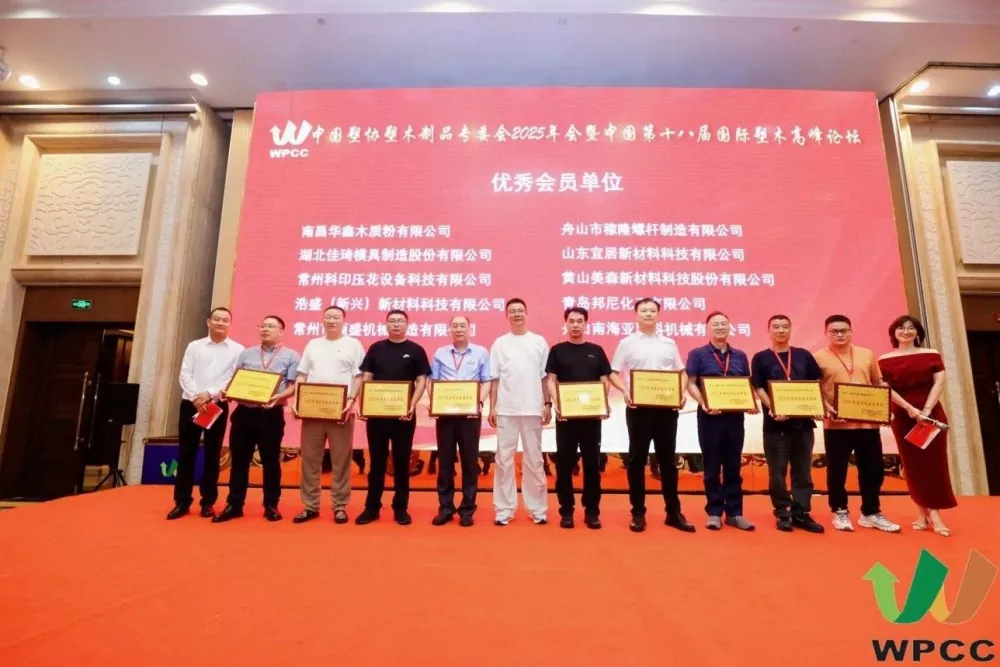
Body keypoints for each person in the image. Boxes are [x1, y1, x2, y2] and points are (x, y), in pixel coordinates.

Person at [608, 297, 694, 533]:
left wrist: (679, 392)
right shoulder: (626, 343)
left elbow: (682, 372)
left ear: (658, 314)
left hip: (666, 409)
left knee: (668, 461)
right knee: (637, 461)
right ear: (636, 315)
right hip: (638, 410)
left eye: (652, 310)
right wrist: (626, 391)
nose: (648, 314)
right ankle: (638, 512)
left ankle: (673, 512)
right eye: (643, 310)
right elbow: (613, 372)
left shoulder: (669, 343)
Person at [814, 314, 900, 533]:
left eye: (844, 330)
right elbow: (814, 387)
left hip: (867, 424)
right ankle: (840, 510)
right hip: (837, 424)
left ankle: (871, 512)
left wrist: (885, 408)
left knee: (873, 469)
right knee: (837, 470)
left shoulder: (866, 354)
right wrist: (826, 407)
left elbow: (877, 382)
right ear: (826, 333)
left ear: (851, 331)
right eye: (834, 331)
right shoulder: (818, 357)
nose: (840, 335)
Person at [214, 315, 299, 523]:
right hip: (244, 413)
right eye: (263, 326)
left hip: (271, 415)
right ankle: (234, 504)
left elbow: (295, 386)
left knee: (271, 462)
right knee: (239, 461)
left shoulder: (291, 356)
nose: (265, 329)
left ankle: (271, 504)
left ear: (281, 331)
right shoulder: (247, 354)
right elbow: (236, 380)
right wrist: (228, 392)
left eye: (270, 326)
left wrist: (279, 396)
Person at [878, 315, 957, 536]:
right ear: (894, 333)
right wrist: (909, 409)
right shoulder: (884, 359)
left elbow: (939, 382)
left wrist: (927, 410)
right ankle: (922, 513)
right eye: (901, 328)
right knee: (912, 466)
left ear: (918, 332)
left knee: (934, 463)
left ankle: (935, 514)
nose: (906, 331)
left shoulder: (931, 354)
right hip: (904, 416)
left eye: (911, 328)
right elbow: (885, 387)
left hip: (931, 416)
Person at [167, 307, 244, 520]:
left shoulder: (238, 350)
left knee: (212, 454)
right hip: (190, 404)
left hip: (216, 406)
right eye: (216, 319)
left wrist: (209, 394)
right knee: (186, 453)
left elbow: (232, 378)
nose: (220, 323)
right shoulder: (195, 346)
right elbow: (185, 374)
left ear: (230, 324)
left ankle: (208, 501)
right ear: (208, 322)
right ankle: (182, 501)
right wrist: (196, 397)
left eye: (225, 320)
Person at [355, 310, 430, 526]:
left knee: (401, 461)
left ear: (407, 324)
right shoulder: (376, 348)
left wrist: (411, 405)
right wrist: (363, 404)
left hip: (403, 415)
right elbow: (367, 376)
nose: (396, 324)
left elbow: (421, 380)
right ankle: (372, 507)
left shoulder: (416, 350)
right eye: (392, 321)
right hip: (377, 414)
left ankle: (400, 507)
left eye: (400, 321)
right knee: (377, 462)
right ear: (386, 324)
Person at [750, 315, 824, 533]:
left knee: (803, 472)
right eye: (776, 327)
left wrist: (815, 406)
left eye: (785, 327)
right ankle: (783, 512)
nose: (781, 330)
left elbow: (815, 383)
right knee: (777, 473)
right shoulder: (761, 358)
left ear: (790, 330)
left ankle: (801, 513)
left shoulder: (803, 355)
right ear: (769, 330)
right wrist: (773, 407)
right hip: (776, 426)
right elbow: (758, 387)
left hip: (803, 425)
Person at [291, 306, 365, 525]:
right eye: (328, 317)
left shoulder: (353, 345)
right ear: (322, 320)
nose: (332, 320)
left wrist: (351, 401)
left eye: (336, 317)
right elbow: (302, 375)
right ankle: (310, 505)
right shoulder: (313, 344)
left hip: (341, 411)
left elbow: (359, 377)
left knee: (341, 460)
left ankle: (339, 506)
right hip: (312, 411)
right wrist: (297, 401)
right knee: (310, 460)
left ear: (343, 320)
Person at [684, 311, 755, 531]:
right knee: (712, 466)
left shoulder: (740, 355)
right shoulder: (697, 354)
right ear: (708, 328)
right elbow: (690, 382)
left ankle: (735, 513)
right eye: (715, 324)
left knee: (733, 465)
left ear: (729, 327)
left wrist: (750, 402)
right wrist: (703, 402)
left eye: (724, 323)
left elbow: (746, 384)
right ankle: (714, 512)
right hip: (709, 417)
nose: (720, 327)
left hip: (735, 417)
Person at [545, 307, 612, 529]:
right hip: (566, 418)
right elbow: (551, 380)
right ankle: (566, 510)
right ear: (566, 323)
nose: (575, 325)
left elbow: (604, 380)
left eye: (579, 321)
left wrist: (603, 402)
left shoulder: (596, 350)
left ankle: (592, 511)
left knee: (592, 465)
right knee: (564, 465)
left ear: (585, 324)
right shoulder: (557, 351)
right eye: (571, 321)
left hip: (591, 418)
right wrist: (558, 405)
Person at [489, 298, 551, 526]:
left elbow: (545, 378)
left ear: (527, 313)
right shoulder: (499, 344)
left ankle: (538, 509)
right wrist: (492, 407)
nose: (517, 314)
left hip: (533, 409)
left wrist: (547, 404)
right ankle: (504, 509)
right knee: (503, 460)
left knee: (535, 460)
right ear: (507, 316)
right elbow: (494, 379)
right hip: (506, 409)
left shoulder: (539, 342)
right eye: (512, 311)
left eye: (520, 310)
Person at [428, 315, 491, 527]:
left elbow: (486, 381)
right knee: (445, 463)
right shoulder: (440, 353)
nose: (458, 329)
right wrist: (435, 403)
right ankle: (445, 508)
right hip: (445, 414)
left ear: (470, 329)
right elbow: (433, 381)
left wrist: (479, 404)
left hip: (470, 415)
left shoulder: (481, 352)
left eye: (462, 325)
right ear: (449, 330)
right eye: (454, 326)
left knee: (469, 463)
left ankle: (467, 509)